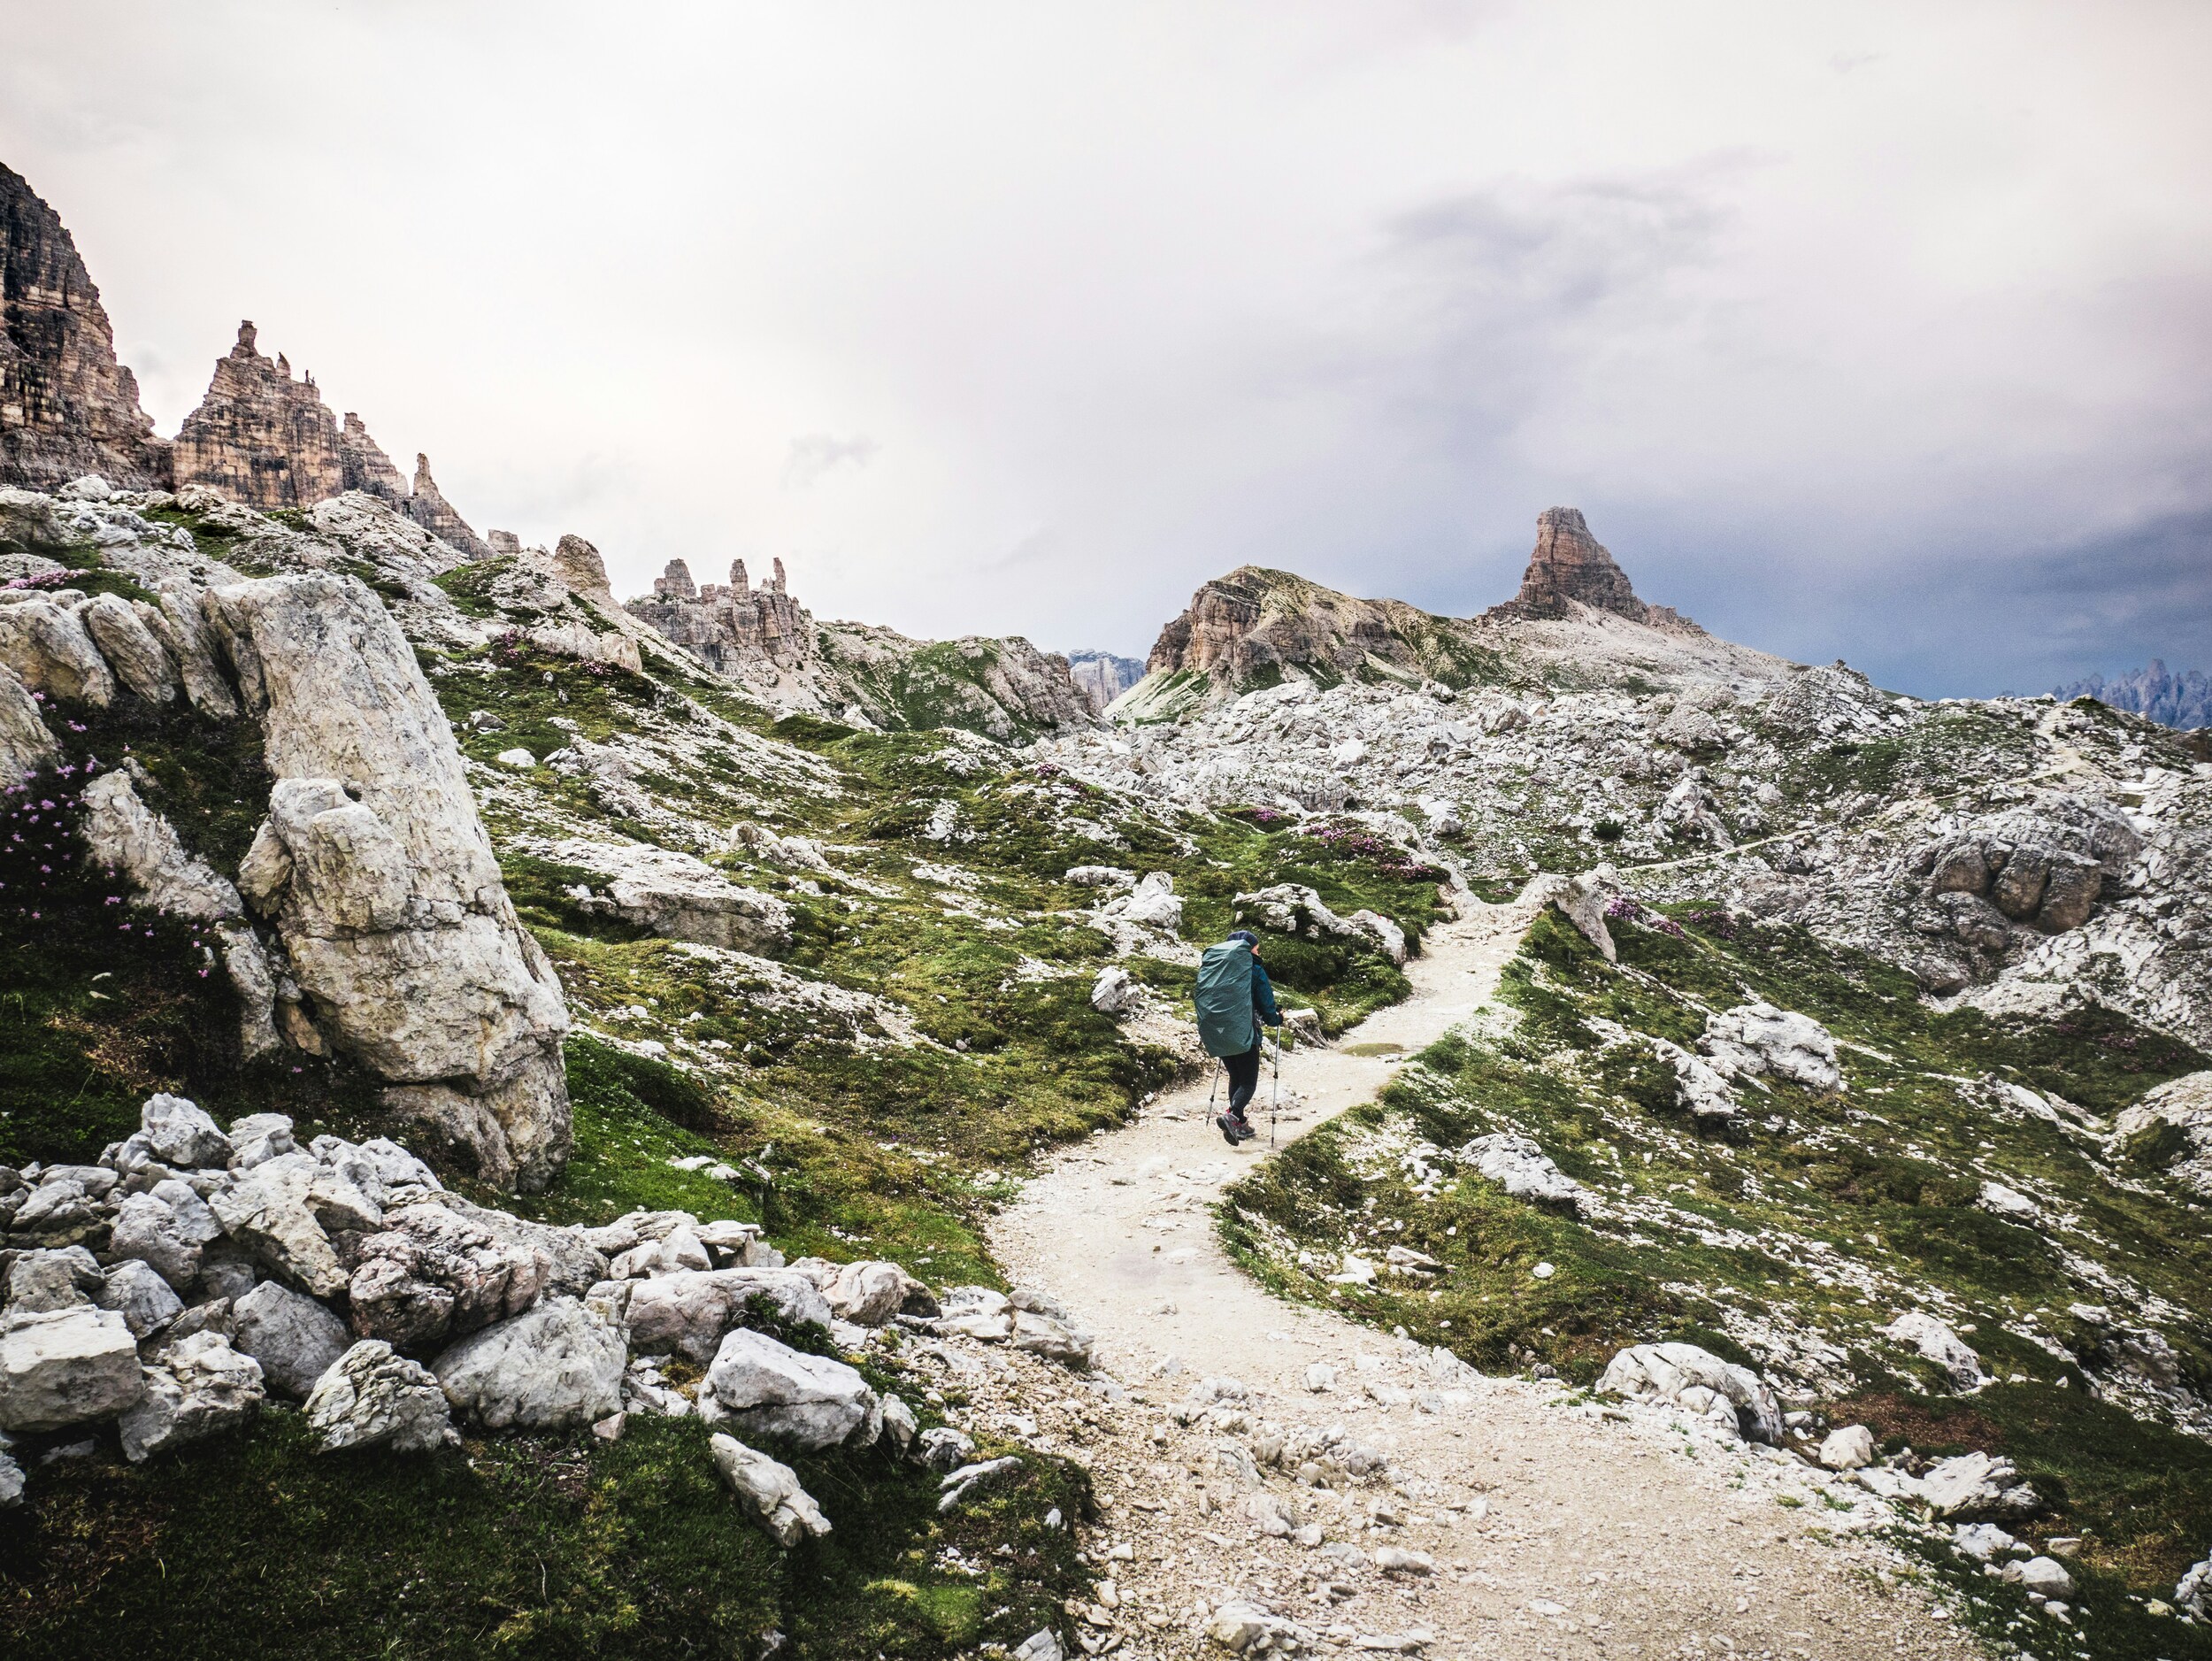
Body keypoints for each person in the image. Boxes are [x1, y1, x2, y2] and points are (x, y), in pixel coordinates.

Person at [1194, 928, 1281, 1146]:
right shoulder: (1253, 968)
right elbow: (1266, 1004)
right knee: (1248, 1082)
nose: (1259, 953)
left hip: (1217, 1032)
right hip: (1244, 1034)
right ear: (1249, 948)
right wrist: (1277, 1018)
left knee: (1235, 1076)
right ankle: (1232, 1116)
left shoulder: (1218, 967)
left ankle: (1239, 1122)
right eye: (1258, 949)